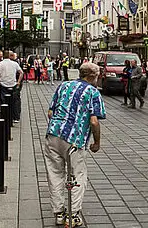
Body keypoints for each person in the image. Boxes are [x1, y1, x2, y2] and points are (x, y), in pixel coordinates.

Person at [45, 62, 105, 227]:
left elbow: (51, 112)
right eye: (98, 74)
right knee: (78, 175)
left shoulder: (64, 86)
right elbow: (94, 121)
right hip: (74, 140)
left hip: (53, 135)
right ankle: (72, 215)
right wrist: (97, 142)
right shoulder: (93, 92)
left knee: (55, 174)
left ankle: (58, 213)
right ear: (92, 76)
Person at [0, 51, 23, 123]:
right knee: (14, 101)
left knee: (3, 101)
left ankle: (4, 116)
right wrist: (18, 82)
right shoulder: (15, 64)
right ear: (10, 56)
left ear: (3, 56)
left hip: (3, 84)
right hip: (13, 84)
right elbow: (21, 72)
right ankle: (15, 117)